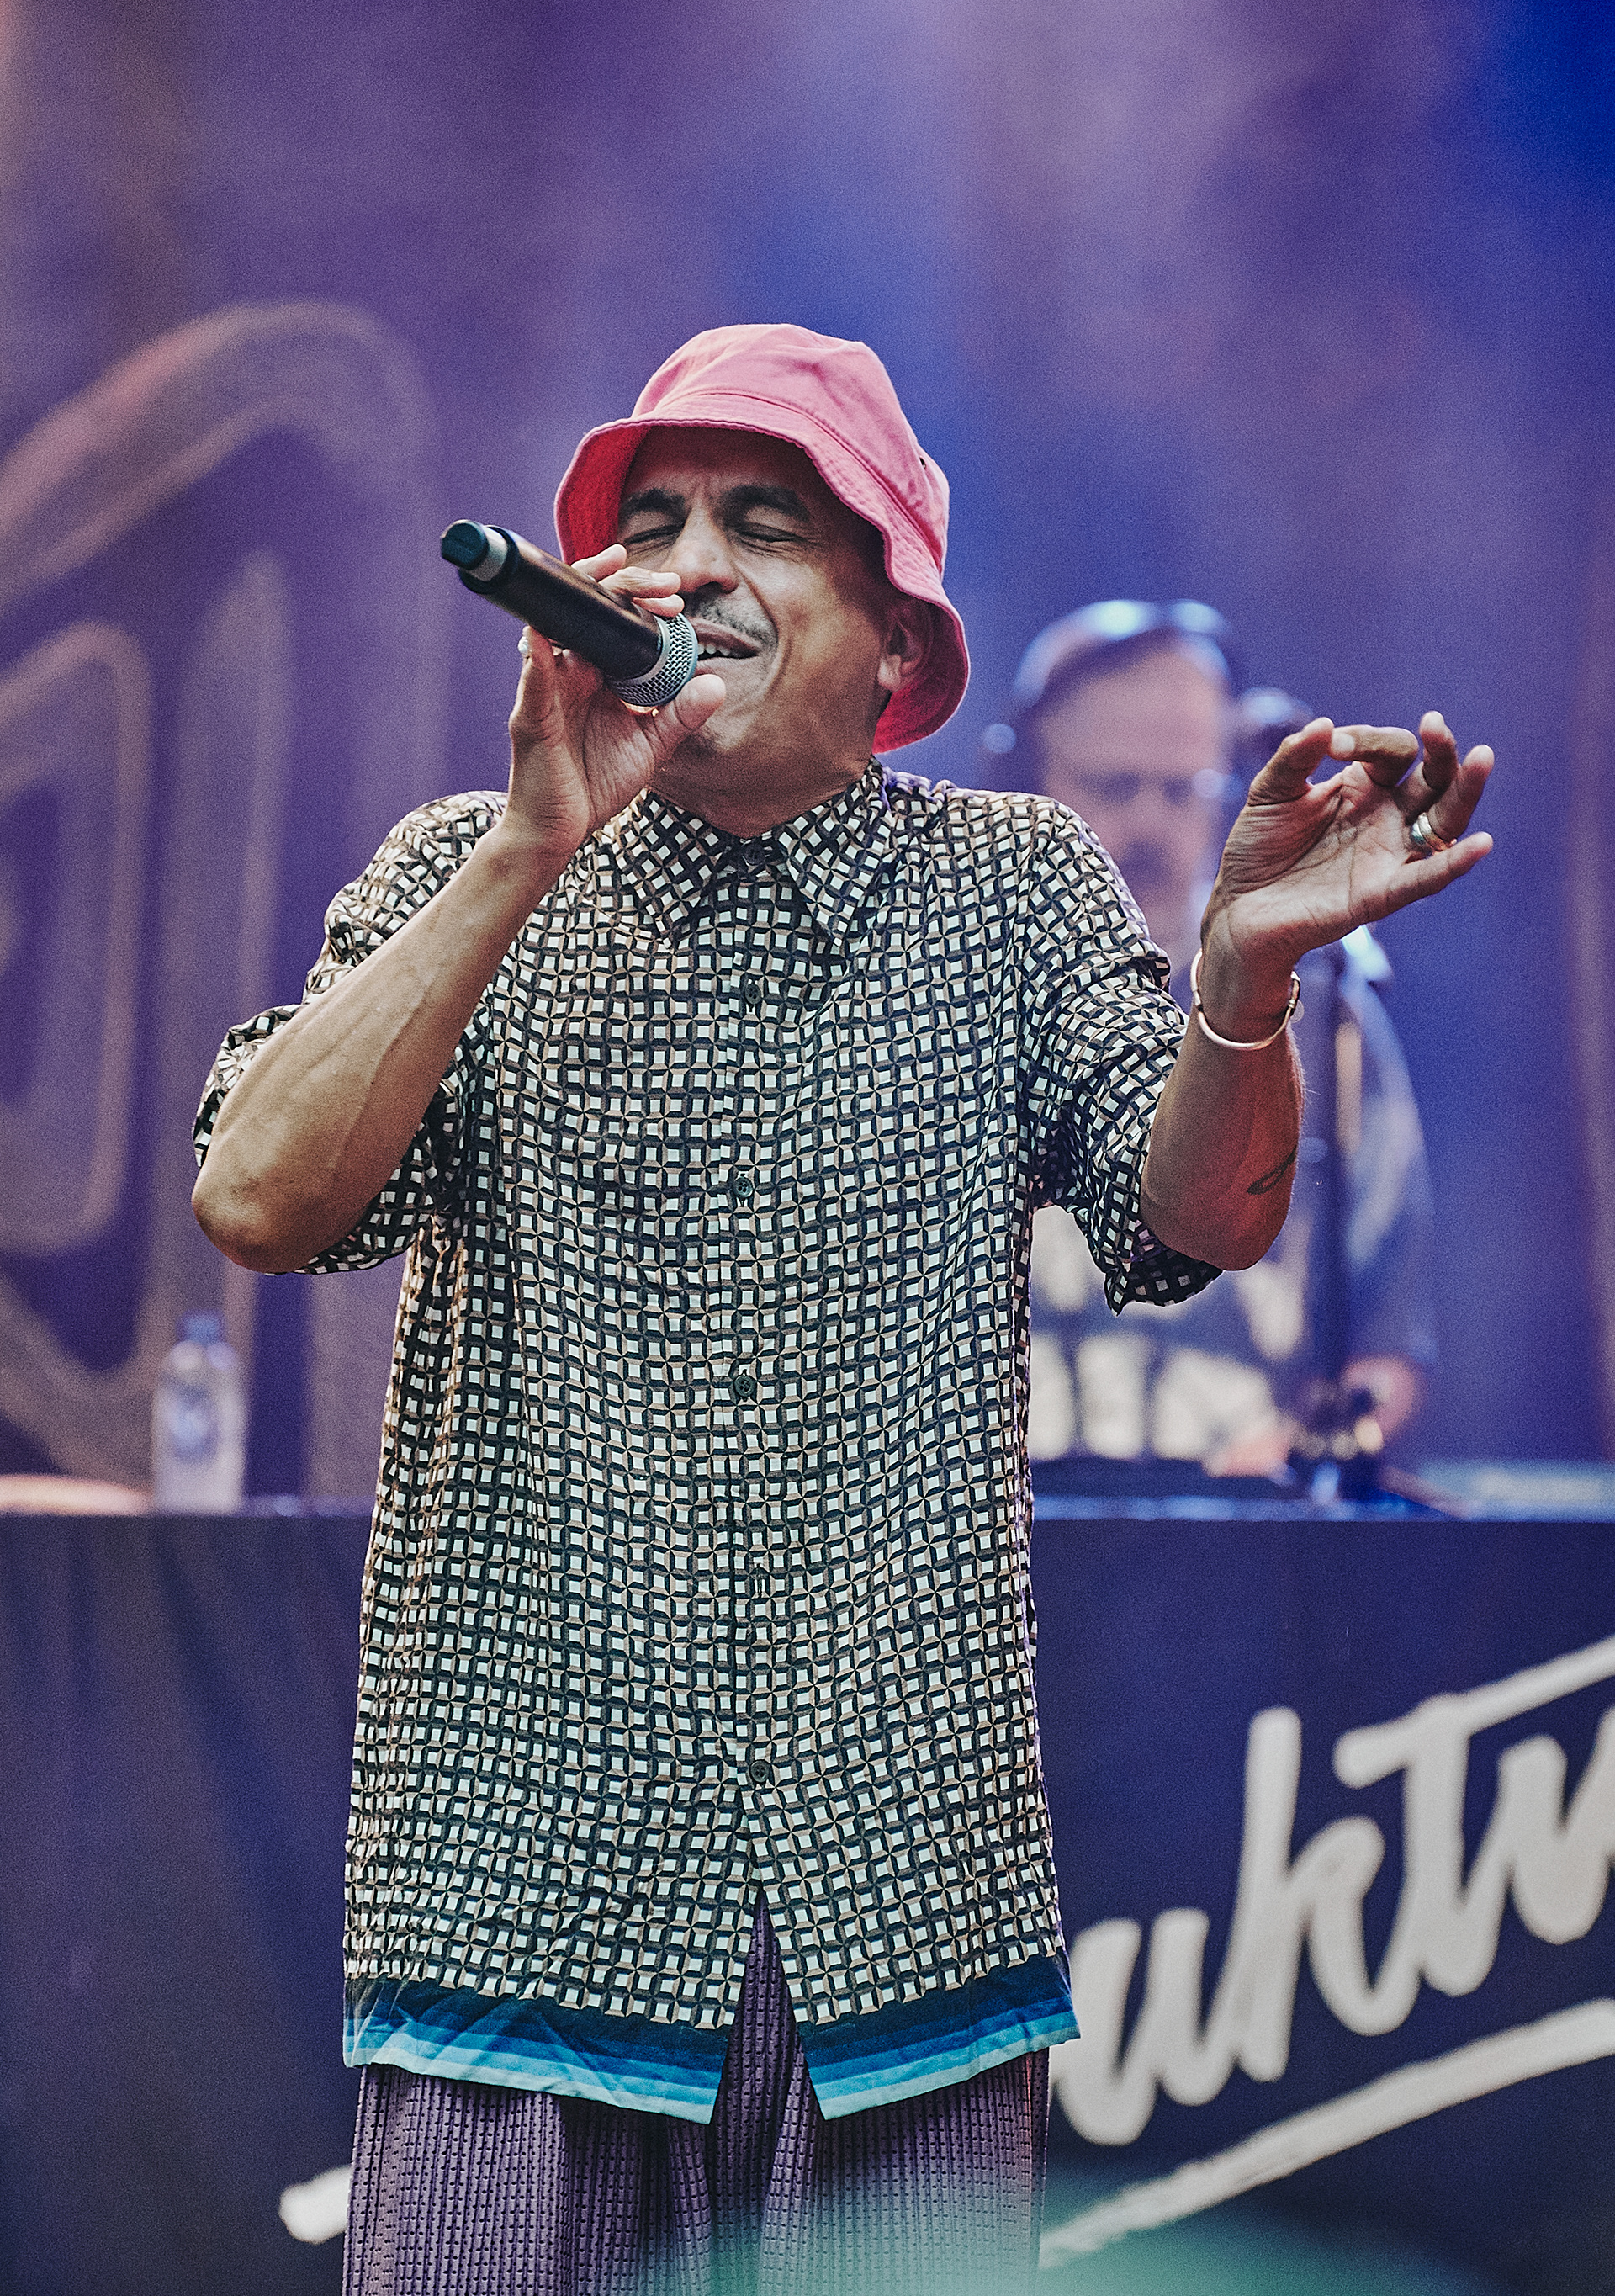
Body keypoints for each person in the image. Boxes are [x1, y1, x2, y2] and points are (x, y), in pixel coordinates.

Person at [191, 325, 1492, 2295]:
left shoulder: (1012, 882)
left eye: (765, 523)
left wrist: (1236, 982)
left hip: (898, 1885)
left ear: (896, 644)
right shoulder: (461, 867)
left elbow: (1195, 1224)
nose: (689, 565)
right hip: (520, 1876)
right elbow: (258, 1200)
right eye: (651, 524)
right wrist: (531, 840)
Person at [985, 603, 1434, 1477]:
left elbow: (1388, 1348)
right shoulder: (942, 991)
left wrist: (1308, 1449)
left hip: (1238, 1533)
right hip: (985, 1533)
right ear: (1019, 778)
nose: (1150, 826)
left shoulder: (1324, 1014)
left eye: (1184, 790)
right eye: (1115, 786)